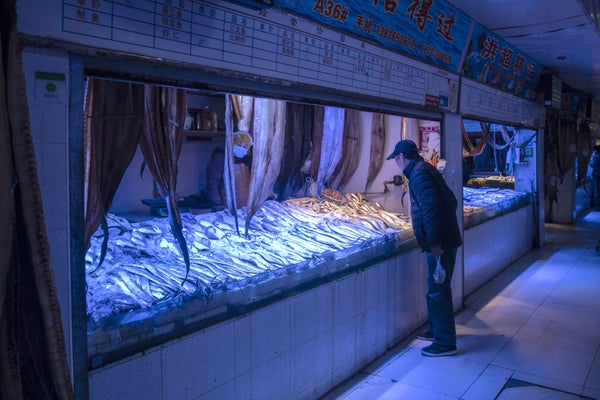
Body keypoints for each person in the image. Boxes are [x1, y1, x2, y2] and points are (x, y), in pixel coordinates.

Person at [387, 139, 463, 357]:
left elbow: (431, 209)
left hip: (441, 243)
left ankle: (445, 342)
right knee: (436, 289)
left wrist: (435, 242)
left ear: (402, 158)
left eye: (395, 159)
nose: (396, 164)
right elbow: (451, 201)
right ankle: (435, 330)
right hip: (444, 239)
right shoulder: (425, 169)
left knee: (438, 291)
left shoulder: (419, 175)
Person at [205, 132, 252, 212]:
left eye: (245, 147)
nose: (242, 148)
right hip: (224, 209)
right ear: (232, 144)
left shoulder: (246, 160)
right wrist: (218, 206)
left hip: (244, 209)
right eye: (239, 145)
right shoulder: (220, 158)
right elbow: (211, 184)